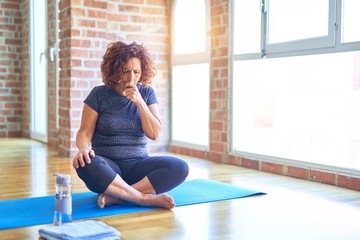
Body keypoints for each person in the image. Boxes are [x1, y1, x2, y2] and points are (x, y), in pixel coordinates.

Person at [72, 41, 189, 210]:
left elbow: (155, 133)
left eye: (136, 72)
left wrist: (139, 102)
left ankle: (118, 196)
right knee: (84, 163)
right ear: (114, 70)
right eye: (125, 71)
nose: (131, 78)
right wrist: (83, 149)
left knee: (180, 167)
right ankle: (141, 198)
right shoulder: (99, 94)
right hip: (108, 168)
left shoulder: (147, 93)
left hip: (138, 166)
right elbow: (84, 132)